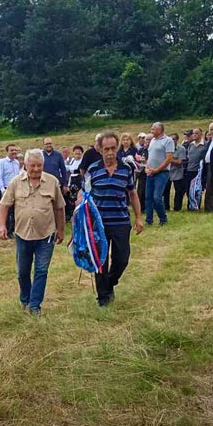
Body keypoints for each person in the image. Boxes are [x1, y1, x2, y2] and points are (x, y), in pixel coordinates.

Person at [0, 149, 66, 316]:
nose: (36, 169)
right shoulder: (15, 182)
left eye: (39, 165)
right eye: (32, 165)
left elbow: (59, 208)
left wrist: (61, 230)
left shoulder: (52, 182)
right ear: (26, 165)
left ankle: (35, 305)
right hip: (23, 235)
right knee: (23, 272)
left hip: (46, 235)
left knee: (41, 270)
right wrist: (2, 226)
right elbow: (4, 206)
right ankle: (25, 299)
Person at [84, 131, 144, 306]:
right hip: (99, 224)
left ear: (117, 148)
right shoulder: (92, 169)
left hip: (120, 222)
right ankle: (103, 298)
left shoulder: (126, 169)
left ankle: (109, 283)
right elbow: (85, 194)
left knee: (122, 259)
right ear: (100, 149)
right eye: (106, 149)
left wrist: (138, 218)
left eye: (113, 148)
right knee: (100, 262)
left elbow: (132, 193)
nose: (110, 153)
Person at [144, 122, 174, 225]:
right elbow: (150, 156)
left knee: (157, 197)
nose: (151, 131)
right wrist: (147, 167)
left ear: (159, 130)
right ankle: (149, 220)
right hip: (150, 172)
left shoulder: (168, 141)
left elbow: (168, 158)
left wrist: (157, 170)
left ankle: (163, 219)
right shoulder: (152, 140)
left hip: (162, 173)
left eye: (153, 129)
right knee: (148, 197)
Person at [0, 145, 22, 238]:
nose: (14, 152)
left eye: (15, 150)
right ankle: (5, 230)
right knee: (6, 210)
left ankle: (13, 230)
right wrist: (2, 190)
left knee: (15, 210)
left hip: (16, 189)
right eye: (11, 150)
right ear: (7, 152)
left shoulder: (16, 162)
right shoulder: (2, 162)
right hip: (6, 189)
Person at [168, 133, 188, 211]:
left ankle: (177, 208)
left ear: (177, 140)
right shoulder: (165, 149)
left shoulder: (181, 149)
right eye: (170, 139)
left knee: (179, 191)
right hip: (167, 172)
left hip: (177, 172)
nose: (172, 141)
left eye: (174, 139)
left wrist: (169, 159)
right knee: (166, 191)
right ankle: (166, 207)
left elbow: (180, 162)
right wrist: (173, 160)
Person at [65, 145, 84, 219]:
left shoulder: (82, 162)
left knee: (79, 199)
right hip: (72, 181)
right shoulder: (72, 161)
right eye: (76, 152)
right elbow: (70, 173)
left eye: (79, 152)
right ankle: (73, 215)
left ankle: (80, 215)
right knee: (72, 199)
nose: (77, 154)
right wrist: (68, 184)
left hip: (79, 182)